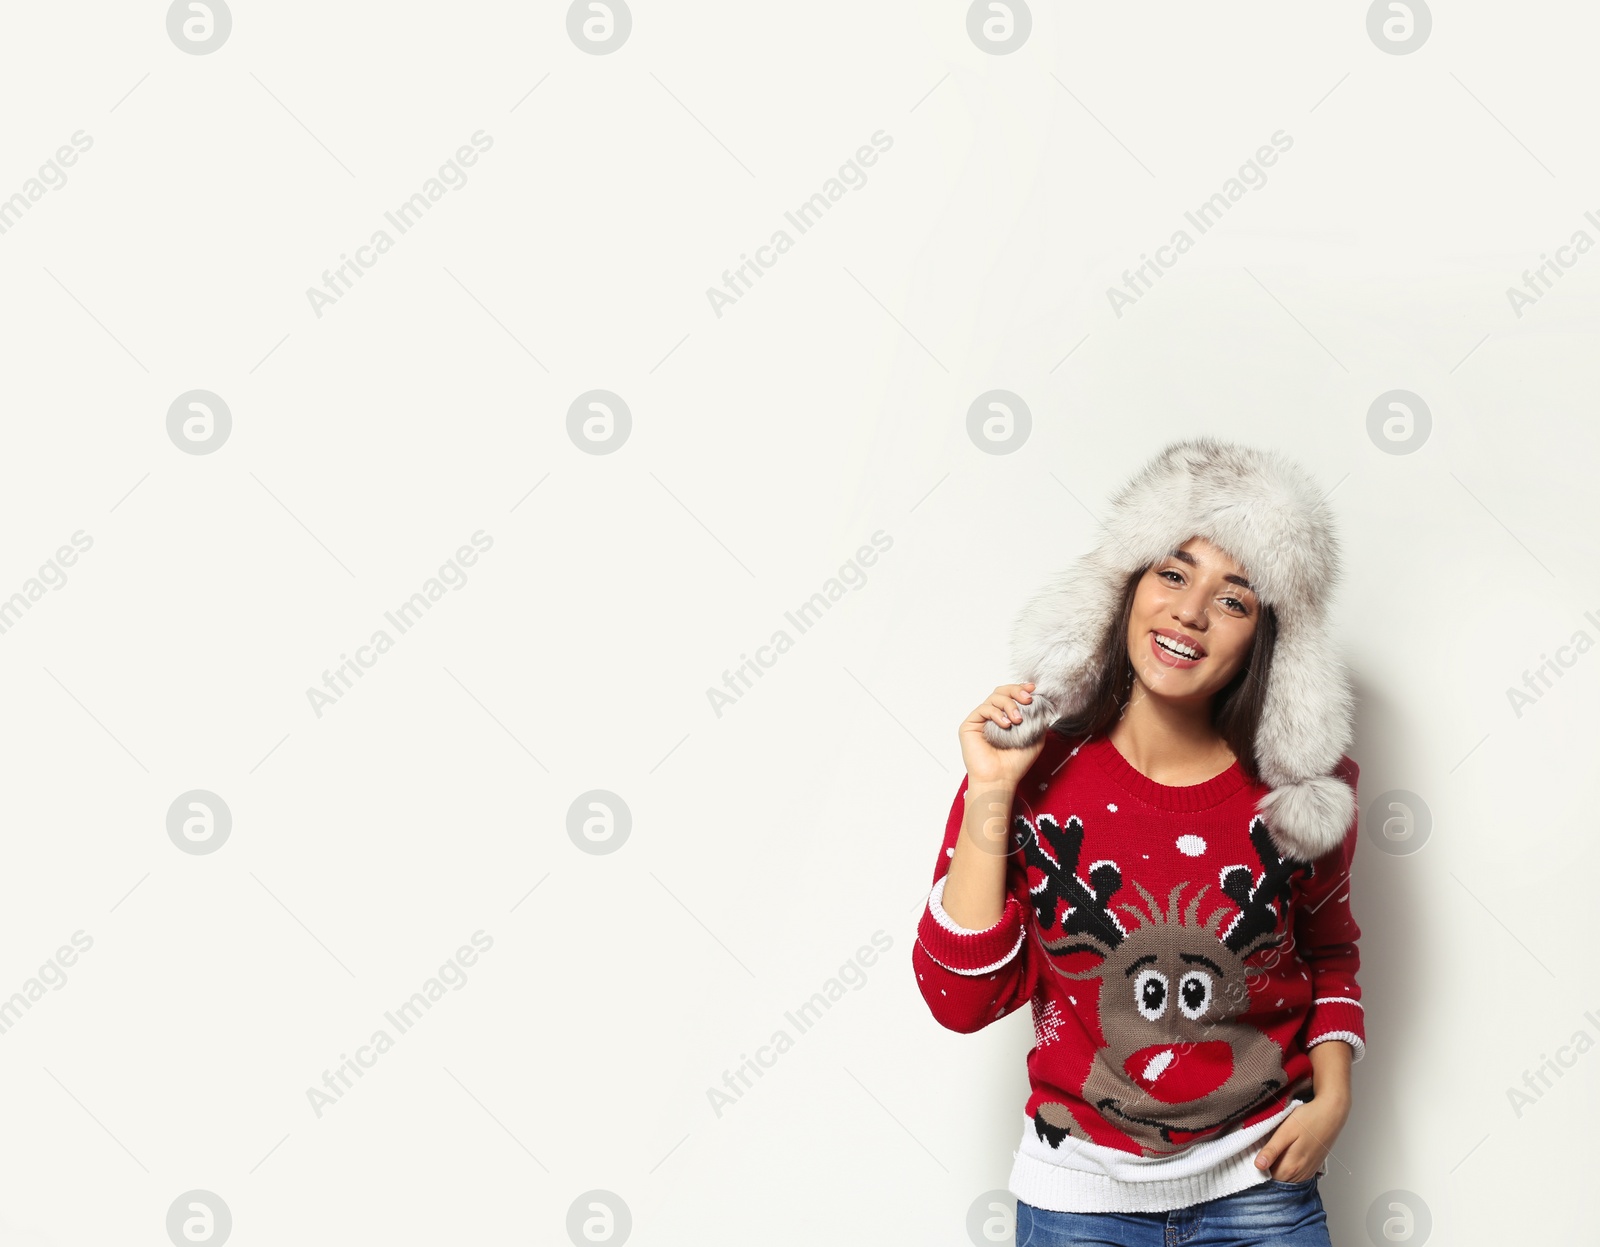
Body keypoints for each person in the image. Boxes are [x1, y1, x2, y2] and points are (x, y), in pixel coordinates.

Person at [914, 438, 1364, 1246]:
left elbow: (1329, 949)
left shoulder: (1301, 800)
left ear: (1268, 640)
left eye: (1236, 598)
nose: (1191, 611)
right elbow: (961, 998)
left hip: (1262, 1190)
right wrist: (990, 789)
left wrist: (1333, 1097)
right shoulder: (1028, 770)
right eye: (1172, 571)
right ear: (1124, 587)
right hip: (1077, 1204)